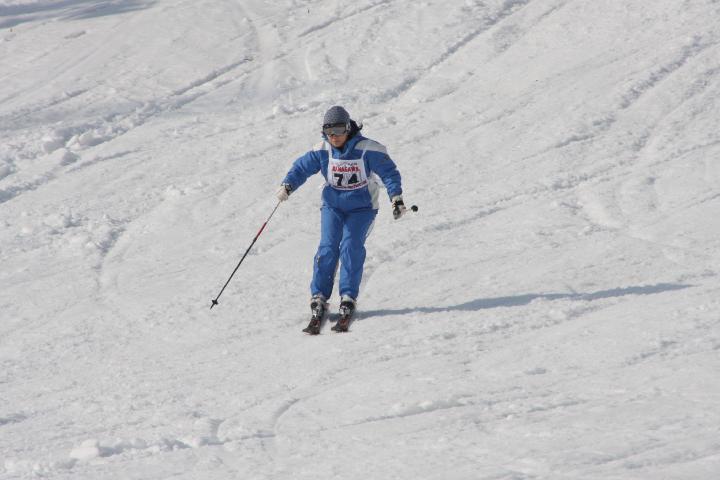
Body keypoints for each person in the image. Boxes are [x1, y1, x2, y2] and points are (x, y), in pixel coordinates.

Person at [276, 106, 406, 329]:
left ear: (348, 128)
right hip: (333, 207)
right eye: (329, 131)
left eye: (338, 130)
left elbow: (389, 173)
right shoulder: (323, 149)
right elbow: (301, 168)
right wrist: (288, 185)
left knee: (350, 246)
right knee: (327, 248)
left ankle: (348, 297)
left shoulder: (367, 149)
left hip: (362, 208)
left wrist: (396, 198)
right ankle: (319, 296)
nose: (334, 137)